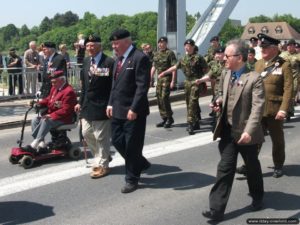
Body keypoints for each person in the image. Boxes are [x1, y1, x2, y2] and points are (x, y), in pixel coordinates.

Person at [202, 39, 265, 222]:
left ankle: (258, 196)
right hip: (228, 131)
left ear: (239, 57)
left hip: (246, 134)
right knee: (224, 169)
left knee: (252, 167)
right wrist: (219, 100)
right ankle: (216, 210)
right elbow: (221, 93)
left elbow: (257, 108)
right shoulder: (226, 73)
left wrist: (249, 131)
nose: (224, 59)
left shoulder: (254, 78)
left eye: (228, 56)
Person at [106, 29, 151, 194]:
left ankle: (132, 179)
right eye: (113, 43)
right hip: (117, 109)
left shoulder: (140, 58)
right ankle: (140, 163)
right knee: (117, 141)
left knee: (132, 146)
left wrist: (134, 108)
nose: (114, 46)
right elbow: (115, 85)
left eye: (116, 43)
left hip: (133, 111)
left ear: (127, 42)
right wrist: (110, 103)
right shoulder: (118, 59)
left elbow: (142, 86)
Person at [74, 35, 114, 179]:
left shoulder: (109, 62)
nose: (89, 48)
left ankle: (103, 165)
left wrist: (111, 103)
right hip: (87, 105)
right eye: (87, 46)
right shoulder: (86, 62)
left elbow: (112, 87)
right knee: (86, 133)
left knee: (101, 136)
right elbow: (85, 86)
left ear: (99, 46)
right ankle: (103, 156)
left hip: (102, 105)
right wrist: (79, 102)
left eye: (92, 45)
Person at [255, 33, 293, 178]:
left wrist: (283, 109)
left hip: (275, 109)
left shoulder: (284, 65)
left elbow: (288, 89)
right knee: (255, 138)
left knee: (277, 140)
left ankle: (278, 165)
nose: (261, 50)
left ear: (274, 49)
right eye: (261, 47)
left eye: (264, 47)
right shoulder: (258, 64)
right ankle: (249, 164)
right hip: (259, 109)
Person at [159, 39, 208, 135]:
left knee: (192, 103)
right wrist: (164, 72)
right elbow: (175, 67)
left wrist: (204, 80)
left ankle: (190, 124)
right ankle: (196, 121)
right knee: (189, 102)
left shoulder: (199, 58)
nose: (187, 47)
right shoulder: (183, 59)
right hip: (187, 83)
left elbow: (206, 69)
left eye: (189, 46)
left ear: (193, 47)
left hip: (196, 82)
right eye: (186, 46)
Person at [22, 70, 77, 153]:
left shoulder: (68, 91)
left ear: (62, 80)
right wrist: (37, 103)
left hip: (64, 118)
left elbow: (66, 110)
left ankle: (34, 145)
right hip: (54, 116)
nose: (52, 84)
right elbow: (48, 100)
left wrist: (51, 115)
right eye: (52, 82)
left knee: (46, 120)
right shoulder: (55, 88)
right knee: (35, 120)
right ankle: (41, 144)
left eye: (54, 82)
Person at [151, 36, 177, 128]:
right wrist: (151, 77)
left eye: (163, 43)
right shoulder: (156, 54)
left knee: (164, 97)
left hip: (167, 78)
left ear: (166, 44)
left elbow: (174, 68)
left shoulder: (170, 53)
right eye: (160, 43)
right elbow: (154, 66)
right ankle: (164, 118)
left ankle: (169, 117)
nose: (161, 44)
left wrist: (173, 81)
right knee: (159, 98)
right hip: (159, 79)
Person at [280, 39, 300, 120]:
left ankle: (289, 112)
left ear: (293, 46)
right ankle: (287, 110)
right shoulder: (283, 55)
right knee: (285, 94)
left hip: (294, 78)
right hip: (284, 78)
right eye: (288, 45)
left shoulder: (298, 56)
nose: (289, 47)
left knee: (291, 95)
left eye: (290, 45)